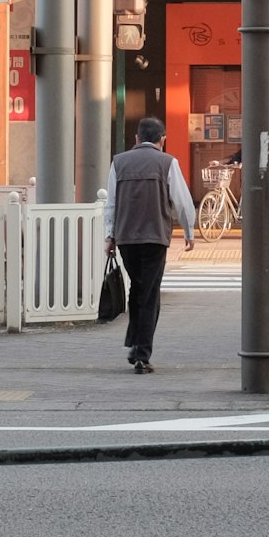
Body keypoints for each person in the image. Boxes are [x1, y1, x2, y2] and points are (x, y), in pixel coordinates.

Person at [104, 116, 195, 374]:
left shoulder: (118, 163)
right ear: (162, 139)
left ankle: (134, 343)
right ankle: (142, 353)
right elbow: (182, 201)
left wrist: (110, 236)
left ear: (136, 139)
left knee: (138, 289)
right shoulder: (167, 162)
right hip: (154, 238)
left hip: (126, 239)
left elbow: (111, 203)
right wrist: (189, 231)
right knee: (150, 293)